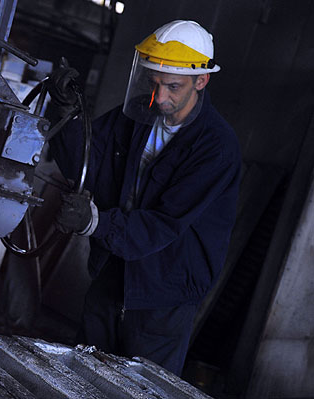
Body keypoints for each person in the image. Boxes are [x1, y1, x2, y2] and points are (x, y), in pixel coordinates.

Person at [48, 20, 241, 376]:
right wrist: (63, 111)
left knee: (142, 387)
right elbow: (86, 160)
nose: (160, 96)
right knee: (82, 377)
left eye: (173, 86)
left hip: (163, 294)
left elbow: (164, 223)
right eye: (154, 82)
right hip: (113, 272)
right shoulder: (139, 115)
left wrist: (95, 222)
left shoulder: (216, 147)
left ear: (202, 81)